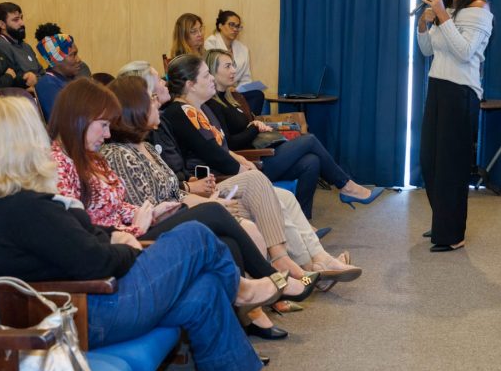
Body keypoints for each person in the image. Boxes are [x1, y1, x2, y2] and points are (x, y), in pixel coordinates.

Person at [0, 95, 281, 371]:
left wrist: (114, 236)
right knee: (195, 234)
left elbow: (79, 240)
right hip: (89, 313)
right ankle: (241, 290)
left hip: (91, 303)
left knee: (205, 289)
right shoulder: (24, 207)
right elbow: (95, 262)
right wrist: (128, 248)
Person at [46, 77, 316, 304]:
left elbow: (119, 206)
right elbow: (84, 232)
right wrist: (139, 223)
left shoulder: (92, 157)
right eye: (103, 125)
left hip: (139, 227)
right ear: (80, 119)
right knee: (214, 212)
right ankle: (274, 279)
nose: (106, 134)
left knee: (231, 239)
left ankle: (256, 304)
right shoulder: (62, 165)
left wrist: (152, 212)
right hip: (128, 244)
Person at [105, 72, 361, 286]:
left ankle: (313, 263)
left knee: (282, 193)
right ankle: (297, 268)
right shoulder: (127, 150)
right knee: (273, 179)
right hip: (183, 208)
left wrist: (207, 197)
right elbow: (150, 208)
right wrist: (207, 198)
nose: (157, 100)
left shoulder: (150, 145)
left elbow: (177, 188)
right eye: (150, 98)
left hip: (194, 196)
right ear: (135, 109)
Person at [165, 53, 384, 219]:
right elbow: (213, 152)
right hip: (230, 172)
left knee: (311, 162)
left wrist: (239, 157)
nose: (212, 79)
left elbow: (219, 147)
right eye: (207, 75)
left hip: (242, 161)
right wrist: (243, 163)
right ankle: (346, 186)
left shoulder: (205, 107)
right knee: (309, 140)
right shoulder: (184, 111)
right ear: (190, 84)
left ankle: (306, 222)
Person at [417, 0, 493, 252]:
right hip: (437, 87)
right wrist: (424, 23)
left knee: (451, 165)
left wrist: (442, 16)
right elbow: (427, 50)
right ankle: (442, 220)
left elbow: (464, 52)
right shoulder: (446, 8)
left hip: (461, 92)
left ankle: (453, 234)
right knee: (430, 161)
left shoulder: (479, 9)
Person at [204, 9, 264, 114]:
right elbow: (210, 72)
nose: (235, 29)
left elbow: (246, 78)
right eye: (231, 25)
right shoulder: (210, 44)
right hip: (217, 90)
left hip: (235, 91)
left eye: (238, 26)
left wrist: (238, 88)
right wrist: (227, 87)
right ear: (220, 25)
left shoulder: (243, 49)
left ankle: (250, 120)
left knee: (257, 95)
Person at [34, 29, 82, 118]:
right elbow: (61, 121)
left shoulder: (70, 80)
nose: (79, 59)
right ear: (56, 60)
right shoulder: (47, 85)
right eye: (73, 55)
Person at [0, 2, 44, 80]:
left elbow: (41, 72)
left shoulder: (26, 46)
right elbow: (18, 78)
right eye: (16, 20)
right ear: (2, 24)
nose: (22, 23)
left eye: (21, 18)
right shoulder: (0, 47)